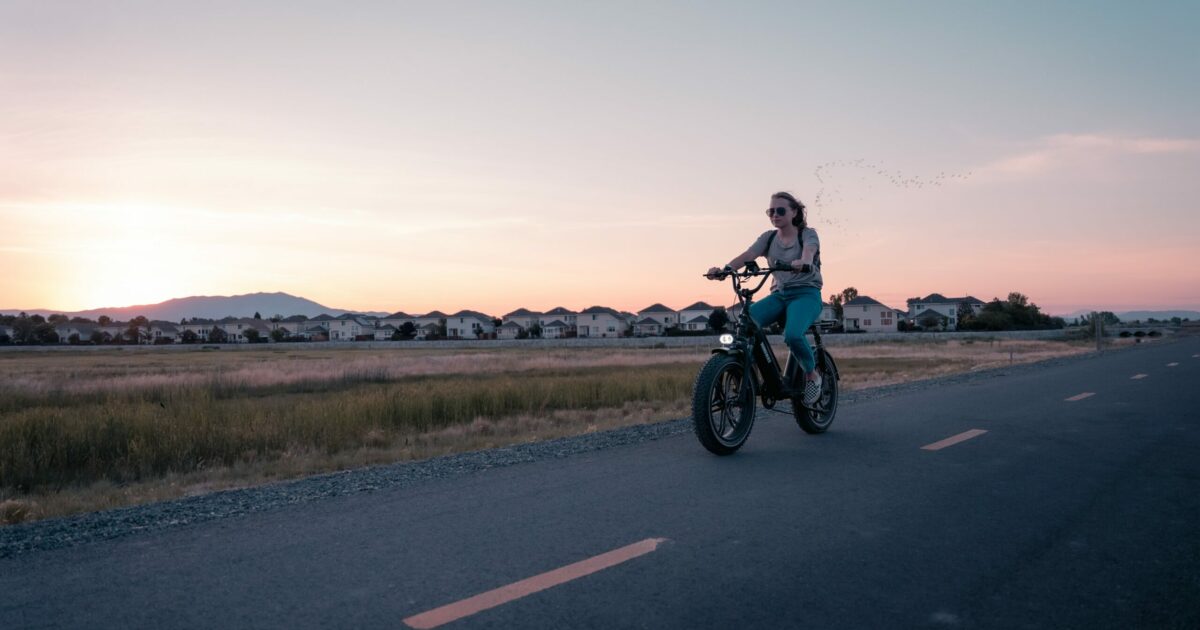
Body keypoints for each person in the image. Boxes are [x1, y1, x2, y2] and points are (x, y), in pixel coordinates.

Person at [706, 191, 824, 405]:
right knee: (747, 322)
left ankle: (811, 375)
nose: (775, 215)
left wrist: (803, 261)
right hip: (779, 294)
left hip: (806, 293)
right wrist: (725, 270)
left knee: (793, 335)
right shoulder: (768, 237)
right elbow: (748, 255)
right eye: (771, 211)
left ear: (794, 212)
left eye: (780, 210)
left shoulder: (807, 234)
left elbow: (809, 251)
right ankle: (747, 374)